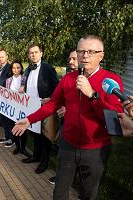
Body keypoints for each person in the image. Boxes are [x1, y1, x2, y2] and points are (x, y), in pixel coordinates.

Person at [12, 35, 124, 199]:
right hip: (68, 146)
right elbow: (52, 105)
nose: (85, 55)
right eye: (81, 51)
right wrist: (29, 119)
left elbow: (115, 117)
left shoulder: (111, 80)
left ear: (101, 55)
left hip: (96, 148)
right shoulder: (68, 79)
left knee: (88, 194)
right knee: (59, 192)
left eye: (91, 51)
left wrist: (92, 95)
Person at [19, 44, 59, 174]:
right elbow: (24, 82)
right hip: (31, 106)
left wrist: (51, 98)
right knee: (35, 134)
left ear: (41, 53)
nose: (33, 54)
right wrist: (22, 87)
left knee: (45, 136)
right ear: (28, 55)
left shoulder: (48, 68)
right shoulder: (28, 69)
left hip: (44, 107)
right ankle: (35, 156)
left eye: (36, 52)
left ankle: (44, 162)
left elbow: (58, 88)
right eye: (31, 53)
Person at [49, 49, 79, 184]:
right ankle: (63, 176)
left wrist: (69, 110)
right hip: (66, 122)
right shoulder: (69, 76)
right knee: (63, 149)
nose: (70, 62)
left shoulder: (88, 80)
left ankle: (75, 177)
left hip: (80, 127)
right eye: (69, 59)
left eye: (74, 58)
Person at [5, 60, 30, 154]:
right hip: (12, 108)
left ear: (21, 68)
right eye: (14, 68)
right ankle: (17, 147)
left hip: (22, 108)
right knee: (14, 127)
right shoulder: (8, 81)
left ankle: (23, 148)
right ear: (11, 69)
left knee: (23, 128)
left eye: (18, 67)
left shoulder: (25, 79)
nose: (16, 70)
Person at [0, 49, 14, 147]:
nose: (0, 59)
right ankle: (7, 136)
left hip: (8, 99)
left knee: (9, 120)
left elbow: (8, 81)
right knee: (3, 119)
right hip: (0, 99)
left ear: (6, 57)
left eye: (2, 56)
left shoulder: (10, 68)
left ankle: (11, 139)